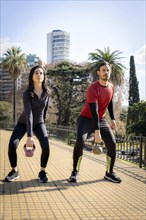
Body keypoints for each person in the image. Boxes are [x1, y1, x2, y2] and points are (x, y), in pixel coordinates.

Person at [68, 60, 122, 183]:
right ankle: (74, 172)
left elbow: (110, 103)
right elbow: (94, 110)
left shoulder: (111, 87)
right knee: (80, 142)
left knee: (112, 144)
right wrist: (97, 132)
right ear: (98, 72)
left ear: (110, 72)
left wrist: (112, 118)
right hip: (86, 119)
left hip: (101, 119)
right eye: (103, 70)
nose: (106, 73)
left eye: (108, 70)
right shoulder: (93, 88)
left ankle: (109, 172)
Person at [5, 65, 50, 183]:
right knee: (12, 145)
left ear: (44, 76)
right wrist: (30, 137)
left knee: (46, 147)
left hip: (39, 123)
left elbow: (44, 112)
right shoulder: (27, 93)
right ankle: (14, 171)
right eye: (36, 73)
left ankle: (42, 171)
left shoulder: (46, 93)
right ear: (32, 76)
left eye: (41, 73)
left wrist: (44, 126)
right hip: (24, 122)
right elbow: (29, 114)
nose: (39, 75)